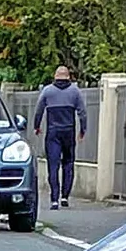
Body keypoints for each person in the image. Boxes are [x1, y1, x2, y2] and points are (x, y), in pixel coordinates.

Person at [34, 66, 88, 210]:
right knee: (68, 164)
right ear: (68, 77)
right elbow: (82, 112)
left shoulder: (47, 91)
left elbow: (39, 110)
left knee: (53, 165)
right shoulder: (75, 91)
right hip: (69, 131)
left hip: (53, 132)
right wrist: (83, 129)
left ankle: (54, 199)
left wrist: (36, 126)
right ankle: (65, 196)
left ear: (55, 76)